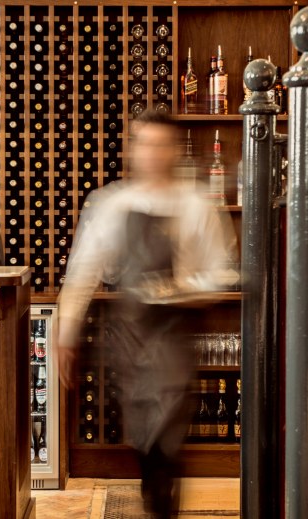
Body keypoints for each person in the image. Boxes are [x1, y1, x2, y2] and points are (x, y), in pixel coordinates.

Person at [57, 110, 239, 518]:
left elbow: (220, 270)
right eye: (145, 144)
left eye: (161, 145)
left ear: (175, 151)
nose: (152, 153)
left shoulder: (196, 205)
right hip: (129, 335)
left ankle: (162, 504)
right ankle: (155, 495)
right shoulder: (112, 203)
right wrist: (66, 333)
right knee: (142, 434)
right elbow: (83, 270)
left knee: (167, 435)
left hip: (176, 335)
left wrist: (184, 288)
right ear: (134, 149)